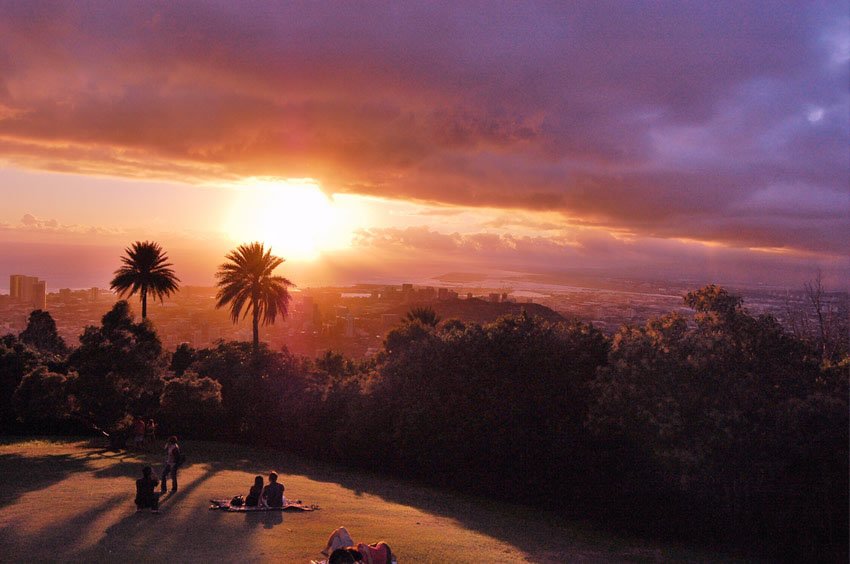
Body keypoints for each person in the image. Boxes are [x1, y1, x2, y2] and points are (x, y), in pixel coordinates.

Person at [322, 527, 392, 564]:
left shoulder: (380, 547)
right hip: (348, 554)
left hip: (346, 553)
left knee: (340, 530)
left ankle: (327, 549)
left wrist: (367, 550)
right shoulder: (378, 552)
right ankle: (327, 550)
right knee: (338, 535)